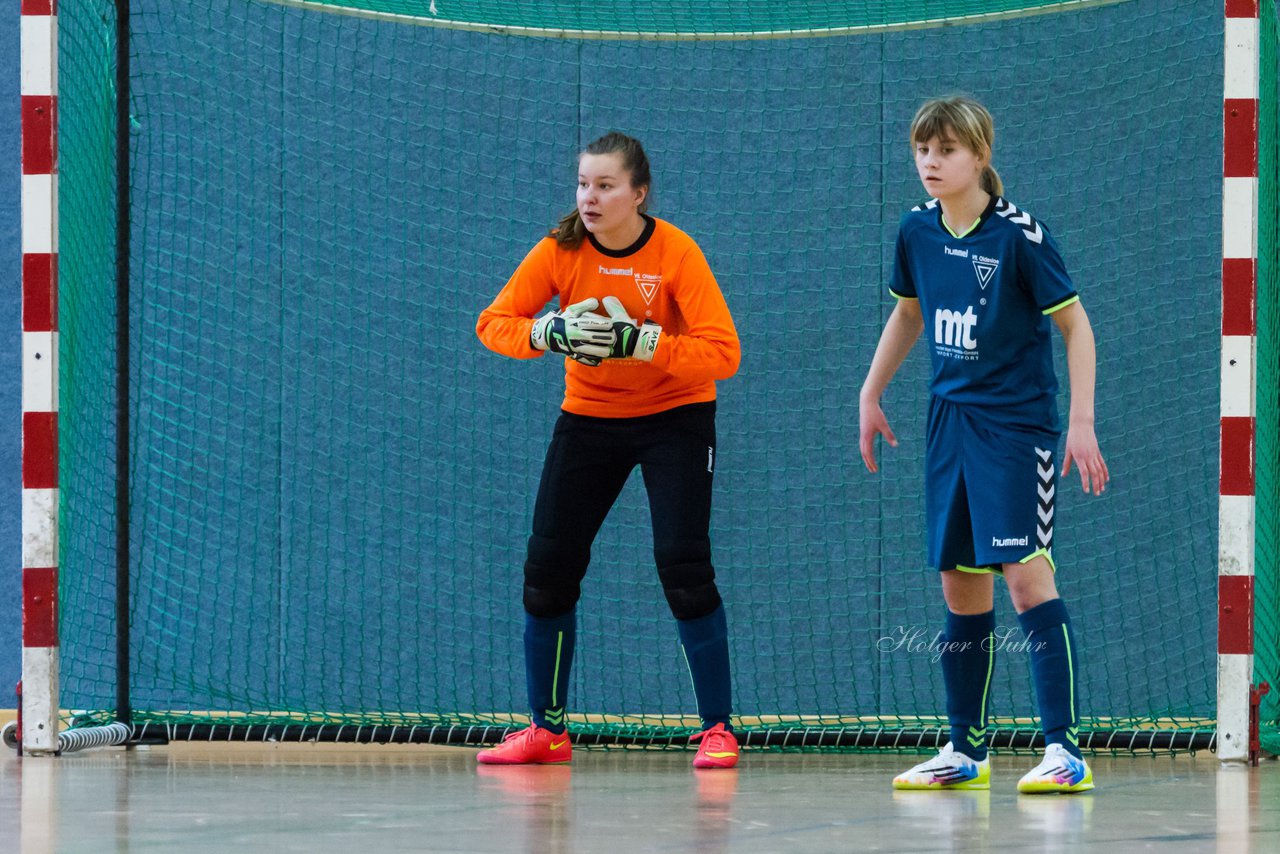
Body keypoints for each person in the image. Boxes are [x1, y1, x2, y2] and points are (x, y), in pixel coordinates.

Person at [859, 96, 1109, 794]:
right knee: (959, 586)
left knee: (1028, 579)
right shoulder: (915, 231)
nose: (931, 162)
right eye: (922, 150)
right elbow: (908, 313)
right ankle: (965, 751)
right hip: (948, 426)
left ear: (980, 157)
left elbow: (1077, 328)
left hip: (1015, 430)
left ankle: (1065, 750)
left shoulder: (1021, 236)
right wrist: (870, 393)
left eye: (945, 150)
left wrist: (1081, 422)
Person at [475, 131, 742, 769]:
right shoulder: (559, 251)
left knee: (683, 563)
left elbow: (723, 352)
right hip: (589, 417)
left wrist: (645, 344)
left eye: (605, 186)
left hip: (675, 416)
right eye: (583, 184)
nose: (589, 197)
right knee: (547, 570)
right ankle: (548, 728)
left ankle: (718, 729)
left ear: (638, 194)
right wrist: (547, 330)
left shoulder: (676, 253)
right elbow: (493, 323)